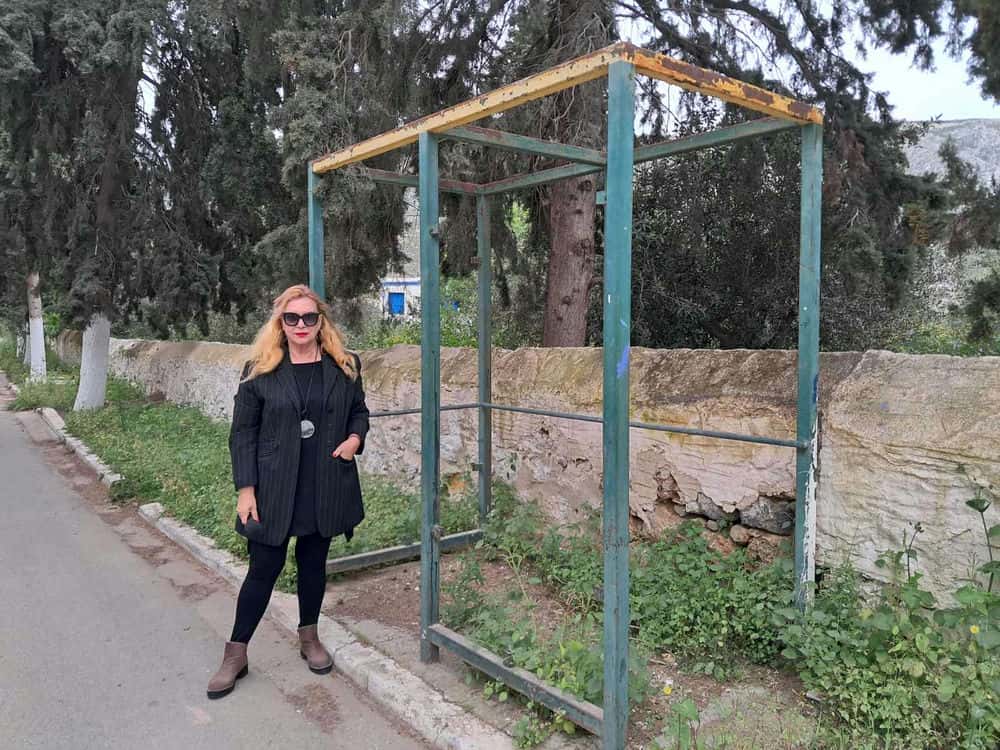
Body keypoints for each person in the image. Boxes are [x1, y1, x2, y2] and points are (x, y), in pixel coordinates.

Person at [207, 284, 370, 699]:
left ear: (320, 322)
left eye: (309, 317)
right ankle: (236, 653)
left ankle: (309, 637)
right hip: (273, 488)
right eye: (292, 317)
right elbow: (242, 433)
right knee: (264, 568)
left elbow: (359, 412)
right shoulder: (259, 370)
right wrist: (246, 490)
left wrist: (354, 440)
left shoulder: (344, 366)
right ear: (280, 322)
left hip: (324, 483)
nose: (301, 324)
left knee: (313, 563)